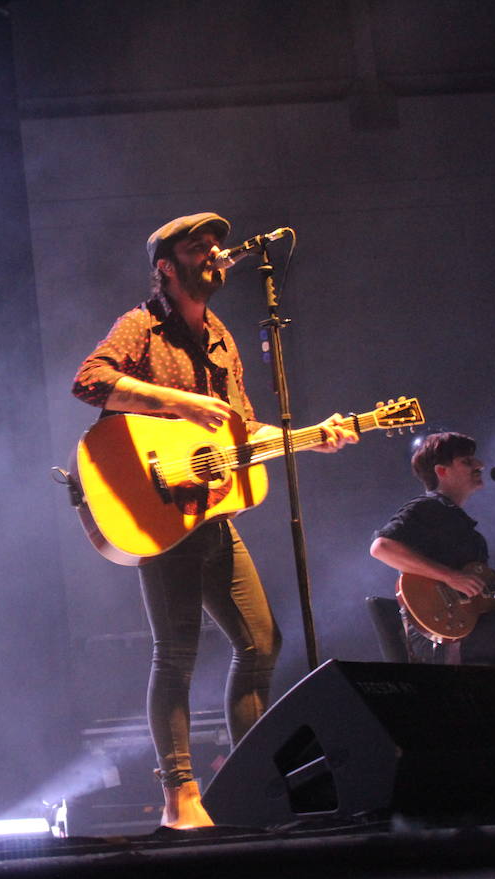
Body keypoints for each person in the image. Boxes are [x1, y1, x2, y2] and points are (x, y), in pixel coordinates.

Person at [72, 213, 358, 829]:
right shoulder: (141, 324)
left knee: (261, 641)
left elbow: (239, 431)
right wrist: (182, 403)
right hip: (157, 505)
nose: (213, 253)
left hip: (211, 512)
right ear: (166, 268)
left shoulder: (225, 339)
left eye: (215, 245)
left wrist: (308, 438)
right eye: (196, 246)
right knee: (175, 654)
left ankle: (252, 782)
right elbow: (91, 381)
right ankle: (180, 794)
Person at [370, 431, 495, 672]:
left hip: (468, 630)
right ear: (441, 471)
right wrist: (450, 577)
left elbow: (484, 607)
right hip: (436, 639)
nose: (480, 465)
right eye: (467, 461)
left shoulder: (472, 536)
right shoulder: (428, 507)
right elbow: (381, 547)